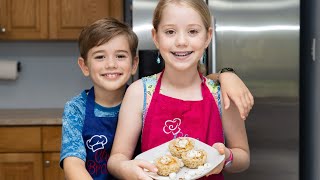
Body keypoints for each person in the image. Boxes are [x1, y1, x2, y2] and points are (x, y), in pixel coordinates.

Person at [60, 16, 251, 180]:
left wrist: (225, 75)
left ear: (134, 64)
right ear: (84, 66)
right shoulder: (79, 108)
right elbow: (73, 163)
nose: (111, 64)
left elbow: (200, 84)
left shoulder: (140, 95)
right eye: (100, 57)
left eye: (120, 56)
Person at [107, 0, 250, 180]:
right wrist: (127, 169)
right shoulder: (139, 92)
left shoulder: (222, 94)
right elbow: (116, 159)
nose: (181, 41)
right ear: (156, 37)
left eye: (192, 31)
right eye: (170, 32)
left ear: (207, 37)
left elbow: (243, 156)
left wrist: (227, 156)